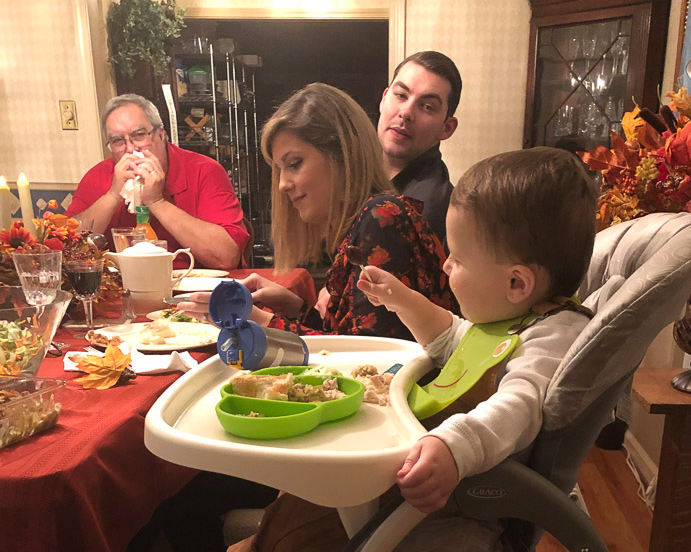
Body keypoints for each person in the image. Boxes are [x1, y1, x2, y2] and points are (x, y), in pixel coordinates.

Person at [157, 147, 597, 552]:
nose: (446, 266)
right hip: (430, 465)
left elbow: (517, 409)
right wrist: (404, 300)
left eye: (457, 260)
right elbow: (456, 340)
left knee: (321, 505)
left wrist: (454, 447)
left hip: (459, 494)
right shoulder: (514, 316)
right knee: (313, 475)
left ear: (517, 282)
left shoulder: (549, 340)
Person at [182, 82, 455, 337]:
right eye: (279, 169)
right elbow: (346, 337)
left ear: (343, 156)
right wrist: (295, 307)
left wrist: (258, 320)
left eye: (294, 164)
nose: (283, 185)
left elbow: (365, 360)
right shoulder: (362, 222)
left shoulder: (381, 216)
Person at [68, 94, 248, 269]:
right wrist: (113, 195)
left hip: (193, 285)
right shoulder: (97, 176)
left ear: (161, 135)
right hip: (119, 285)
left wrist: (156, 202)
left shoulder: (204, 171)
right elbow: (67, 249)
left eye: (139, 135)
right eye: (117, 141)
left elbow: (226, 258)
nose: (130, 149)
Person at [378, 51, 462, 248]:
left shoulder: (425, 209)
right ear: (384, 99)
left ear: (446, 128)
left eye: (427, 107)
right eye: (401, 95)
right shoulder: (357, 173)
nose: (406, 112)